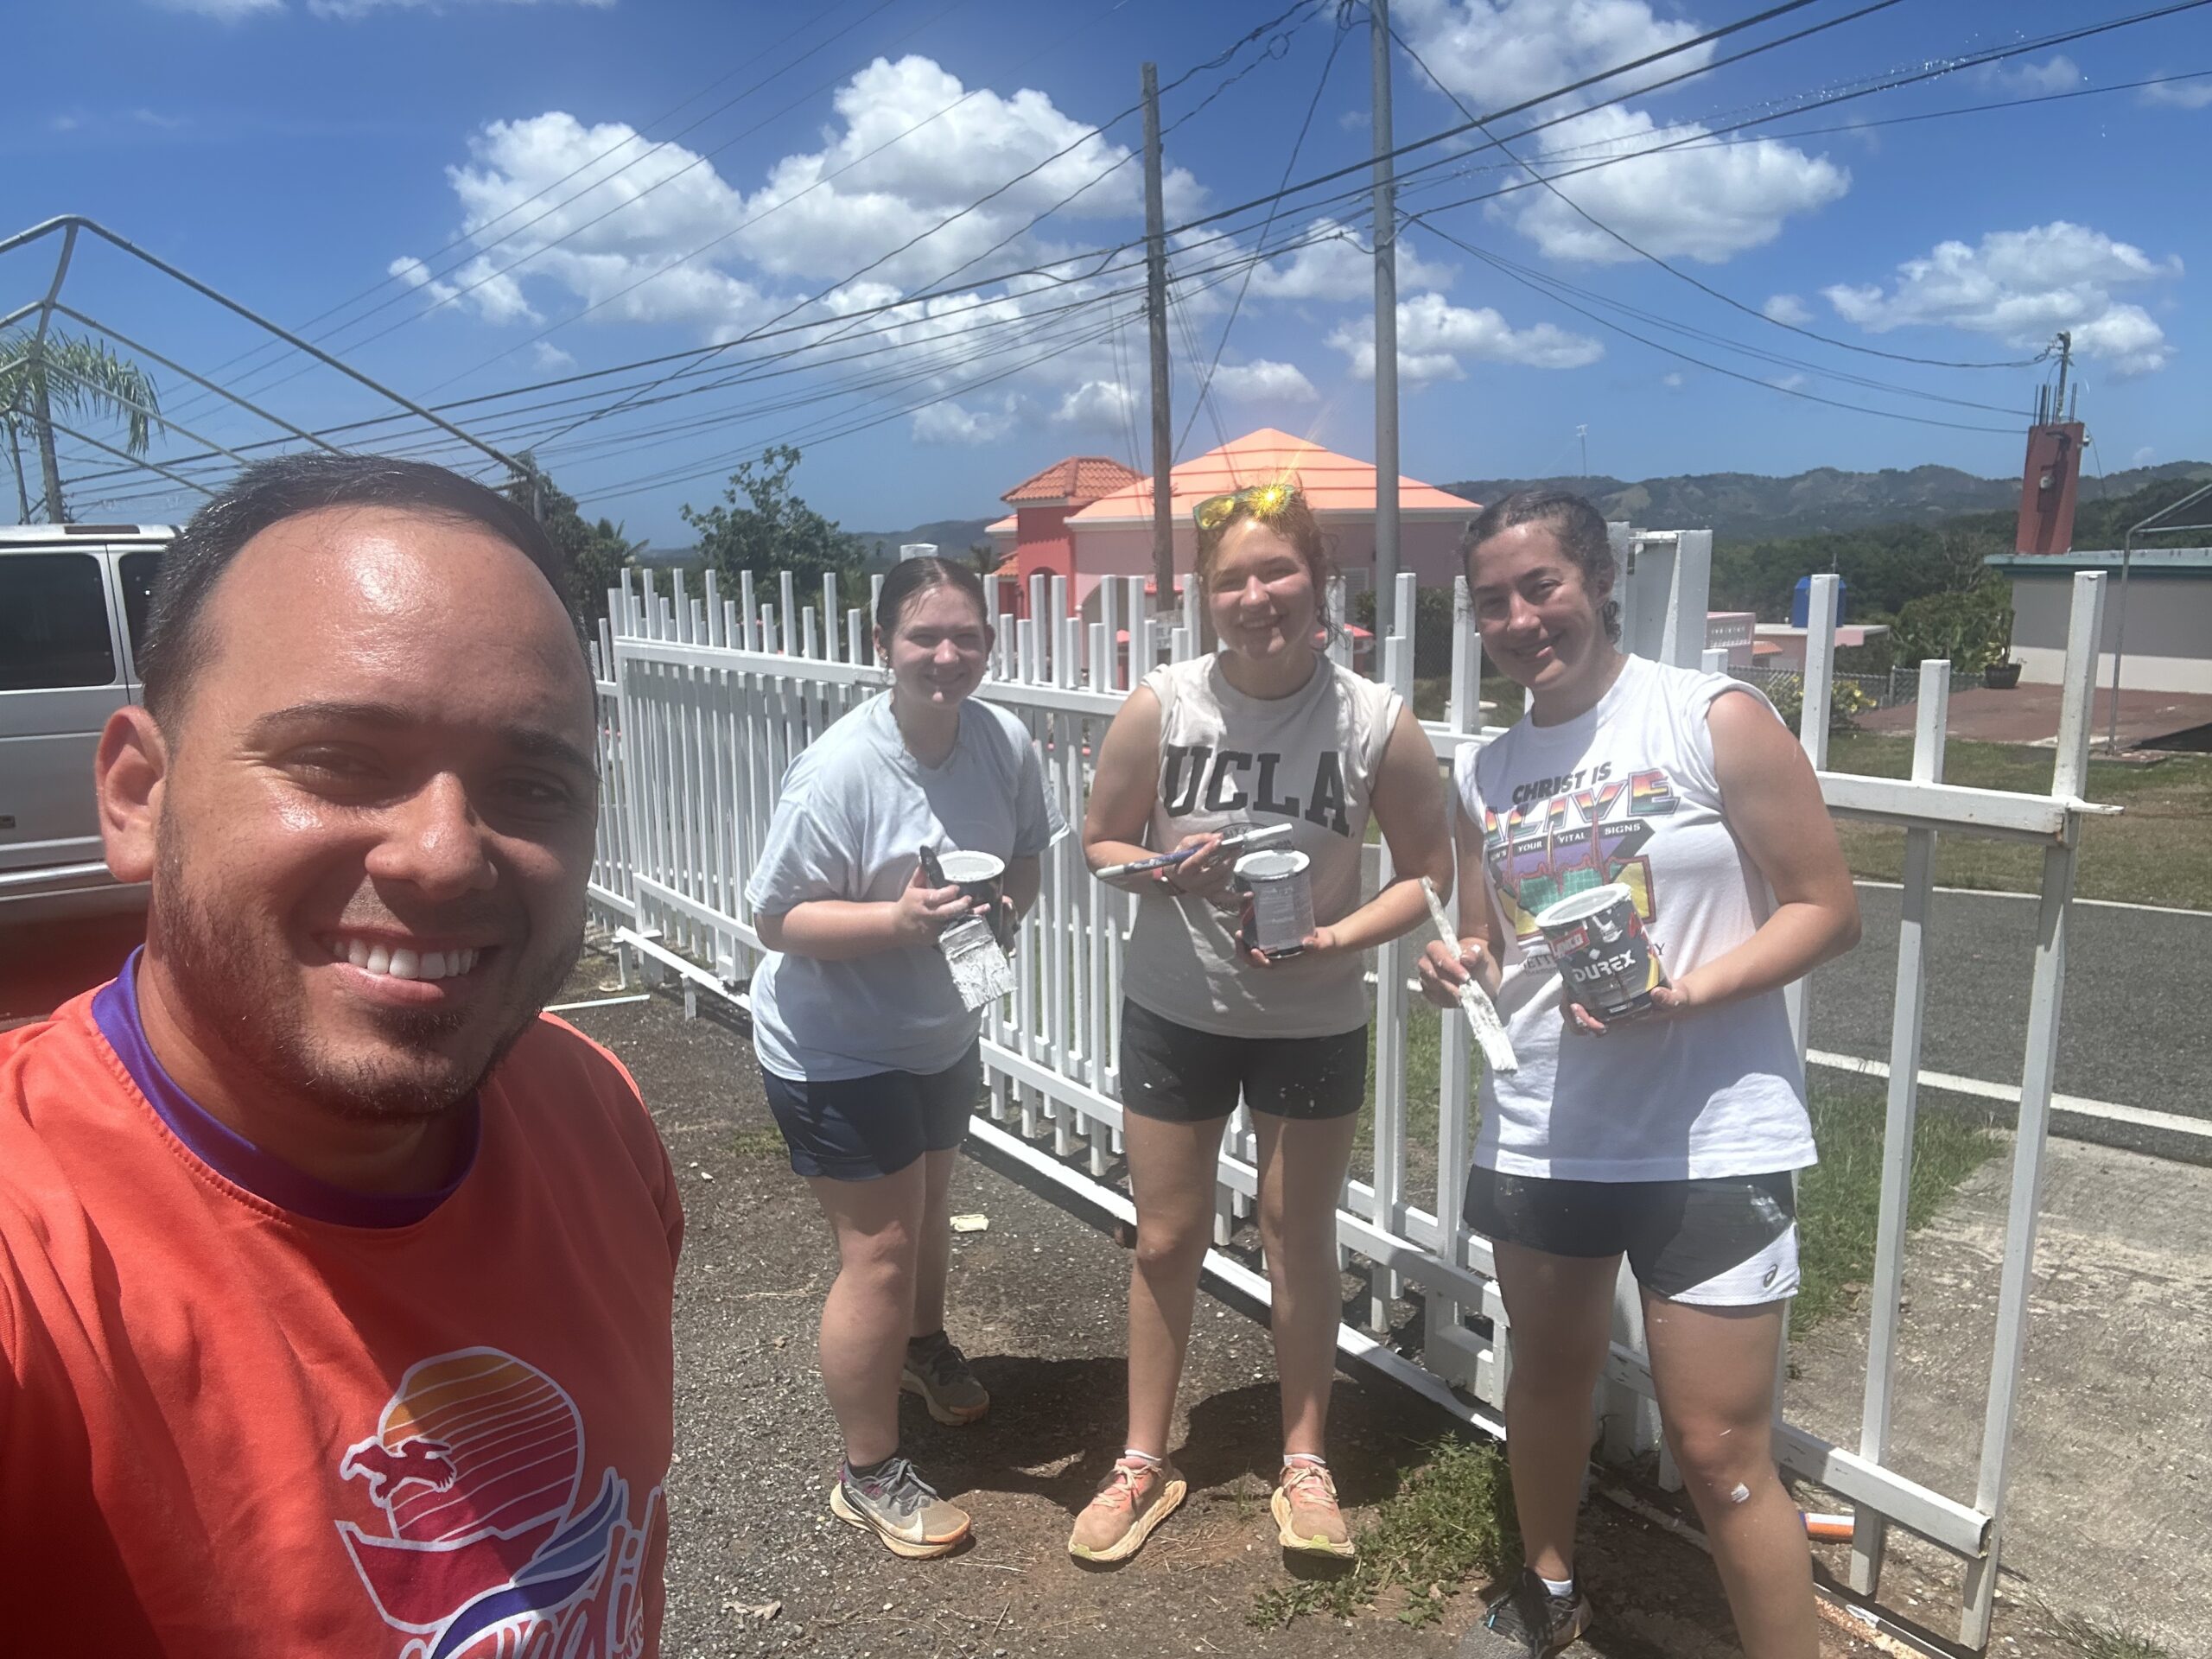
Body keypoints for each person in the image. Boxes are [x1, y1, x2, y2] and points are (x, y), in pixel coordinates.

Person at [0, 455, 683, 1657]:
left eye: (531, 783)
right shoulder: (36, 1253)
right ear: (138, 795)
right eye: (339, 761)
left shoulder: (590, 1107)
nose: (443, 855)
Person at [1418, 490, 1859, 1659]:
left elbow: (1827, 909)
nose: (1520, 618)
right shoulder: (1488, 774)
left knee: (1720, 1453)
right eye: (1493, 601)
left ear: (1599, 581)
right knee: (1549, 1380)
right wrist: (1457, 962)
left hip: (1714, 1136)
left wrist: (1689, 994)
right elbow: (1489, 937)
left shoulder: (1712, 717)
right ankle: (1551, 1585)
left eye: (1541, 586)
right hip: (1547, 1132)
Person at [1072, 482, 1452, 1564]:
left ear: (1319, 583)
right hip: (1177, 1011)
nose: (1256, 596)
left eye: (1276, 571)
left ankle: (1304, 1460)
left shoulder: (1375, 721)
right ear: (1204, 596)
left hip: (1312, 1020)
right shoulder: (1164, 704)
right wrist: (1163, 870)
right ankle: (1143, 1458)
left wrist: (1334, 939)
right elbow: (1098, 840)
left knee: (1297, 1240)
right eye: (1231, 578)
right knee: (1165, 1236)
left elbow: (1429, 872)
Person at [744, 555, 1060, 1560]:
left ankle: (922, 1352)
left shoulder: (1002, 740)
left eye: (965, 635)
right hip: (833, 1046)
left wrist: (1005, 907)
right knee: (876, 1254)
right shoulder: (838, 770)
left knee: (926, 1212)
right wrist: (898, 918)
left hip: (937, 1030)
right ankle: (868, 1471)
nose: (945, 655)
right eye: (924, 635)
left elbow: (1027, 856)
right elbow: (775, 917)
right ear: (882, 644)